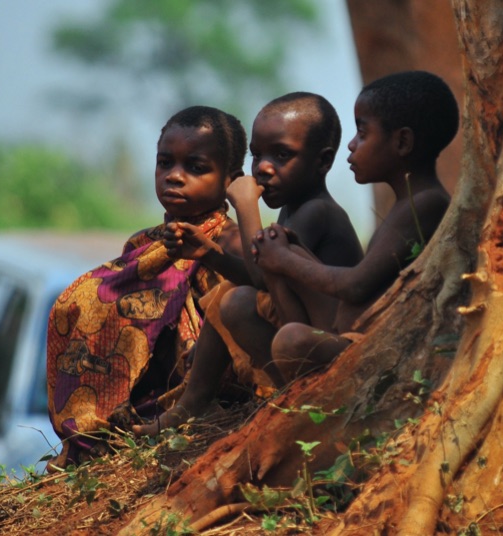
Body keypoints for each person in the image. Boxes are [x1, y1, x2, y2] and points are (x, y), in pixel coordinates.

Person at [133, 92, 364, 436]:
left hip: (328, 348)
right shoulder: (293, 208)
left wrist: (245, 206)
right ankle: (194, 404)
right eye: (257, 155)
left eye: (282, 155)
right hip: (298, 332)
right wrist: (210, 254)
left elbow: (262, 271)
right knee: (234, 297)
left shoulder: (318, 212)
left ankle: (275, 400)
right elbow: (261, 282)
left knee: (236, 295)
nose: (264, 168)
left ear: (322, 161)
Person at [46, 105, 248, 469]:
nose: (174, 176)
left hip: (203, 404)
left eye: (196, 167)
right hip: (137, 415)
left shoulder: (231, 245)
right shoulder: (142, 245)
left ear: (231, 181)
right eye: (165, 163)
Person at [250, 70, 459, 383]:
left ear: (402, 141)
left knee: (292, 339)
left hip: (378, 352)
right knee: (281, 248)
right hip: (346, 333)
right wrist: (284, 254)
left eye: (362, 133)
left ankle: (295, 392)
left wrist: (285, 259)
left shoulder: (426, 204)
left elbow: (355, 286)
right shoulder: (406, 204)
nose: (351, 144)